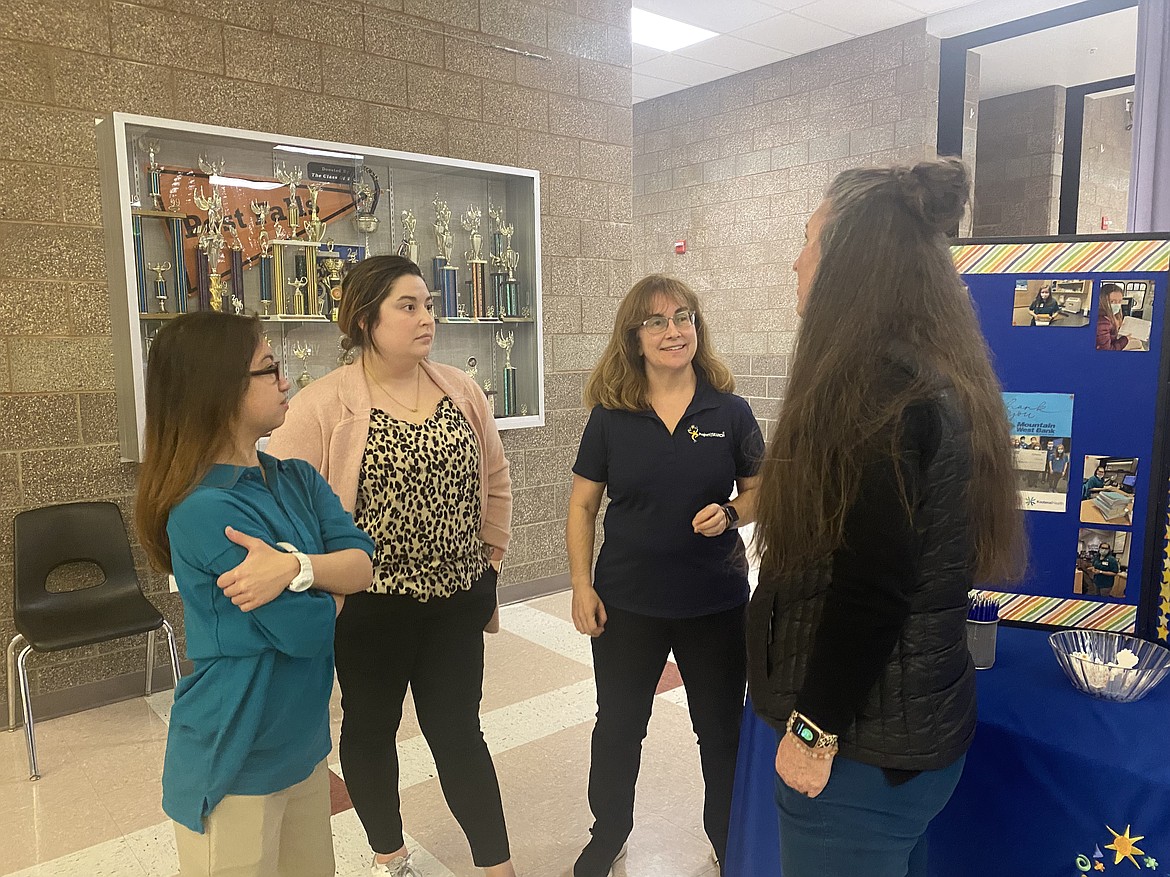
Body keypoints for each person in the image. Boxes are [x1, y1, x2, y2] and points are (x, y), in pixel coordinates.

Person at [747, 158, 1025, 877]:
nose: (796, 260)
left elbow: (872, 588)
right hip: (913, 738)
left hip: (861, 755)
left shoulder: (876, 390)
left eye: (809, 239)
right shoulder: (934, 371)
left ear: (851, 260)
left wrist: (811, 730)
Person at [265, 255, 516, 877]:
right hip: (370, 605)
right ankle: (389, 853)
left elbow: (495, 479)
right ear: (364, 318)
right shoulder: (322, 405)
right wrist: (321, 582)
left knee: (459, 731)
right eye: (408, 306)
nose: (425, 317)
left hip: (456, 597)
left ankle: (496, 865)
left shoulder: (460, 389)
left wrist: (490, 561)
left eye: (427, 303)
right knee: (371, 730)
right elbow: (285, 508)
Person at [135, 311, 376, 877]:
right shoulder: (202, 511)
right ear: (219, 390)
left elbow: (363, 565)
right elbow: (308, 629)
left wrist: (293, 567)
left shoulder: (296, 478)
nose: (287, 380)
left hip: (303, 741)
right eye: (270, 368)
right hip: (234, 752)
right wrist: (326, 579)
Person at [566, 274, 764, 877]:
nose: (673, 331)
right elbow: (582, 505)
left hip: (715, 601)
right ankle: (610, 833)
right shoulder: (612, 415)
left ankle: (726, 838)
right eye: (657, 321)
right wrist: (581, 585)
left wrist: (731, 512)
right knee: (620, 727)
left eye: (683, 317)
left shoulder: (729, 411)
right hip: (627, 601)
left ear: (697, 328)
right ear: (635, 336)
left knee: (721, 732)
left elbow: (761, 493)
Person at [1096, 283, 1130, 350]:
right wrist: (1126, 339)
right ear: (1102, 301)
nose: (1117, 305)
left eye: (1119, 301)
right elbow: (1108, 350)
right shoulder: (1102, 322)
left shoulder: (1114, 315)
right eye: (1112, 301)